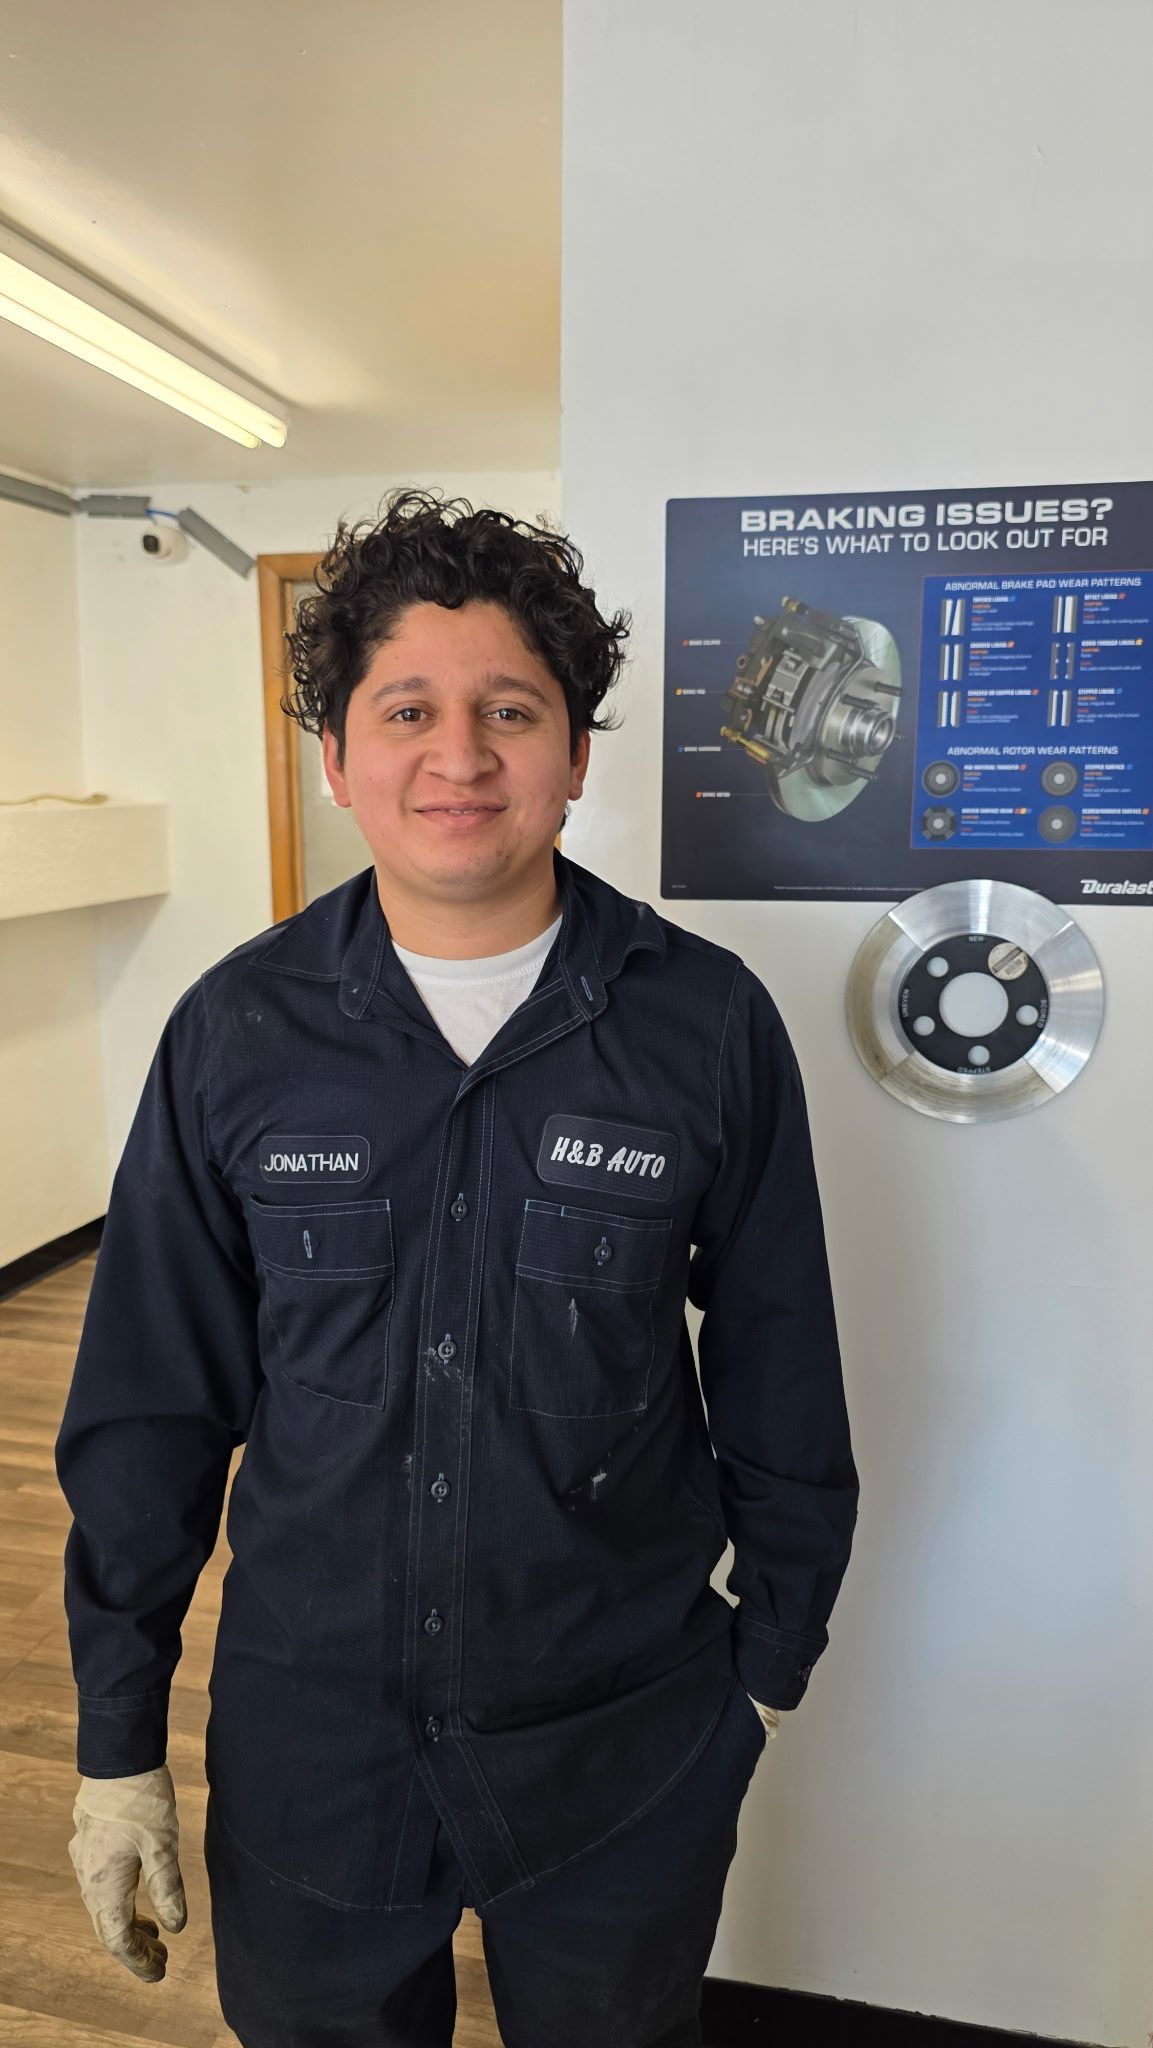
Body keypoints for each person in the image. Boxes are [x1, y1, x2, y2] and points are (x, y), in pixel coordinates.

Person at [55, 487, 859, 2048]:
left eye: (511, 709)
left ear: (571, 752)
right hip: (314, 1750)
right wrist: (114, 1739)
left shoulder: (701, 1025)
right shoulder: (235, 1033)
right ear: (338, 758)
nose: (461, 755)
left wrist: (768, 1663)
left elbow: (780, 1358)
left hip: (621, 1738)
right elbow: (150, 1404)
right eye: (406, 708)